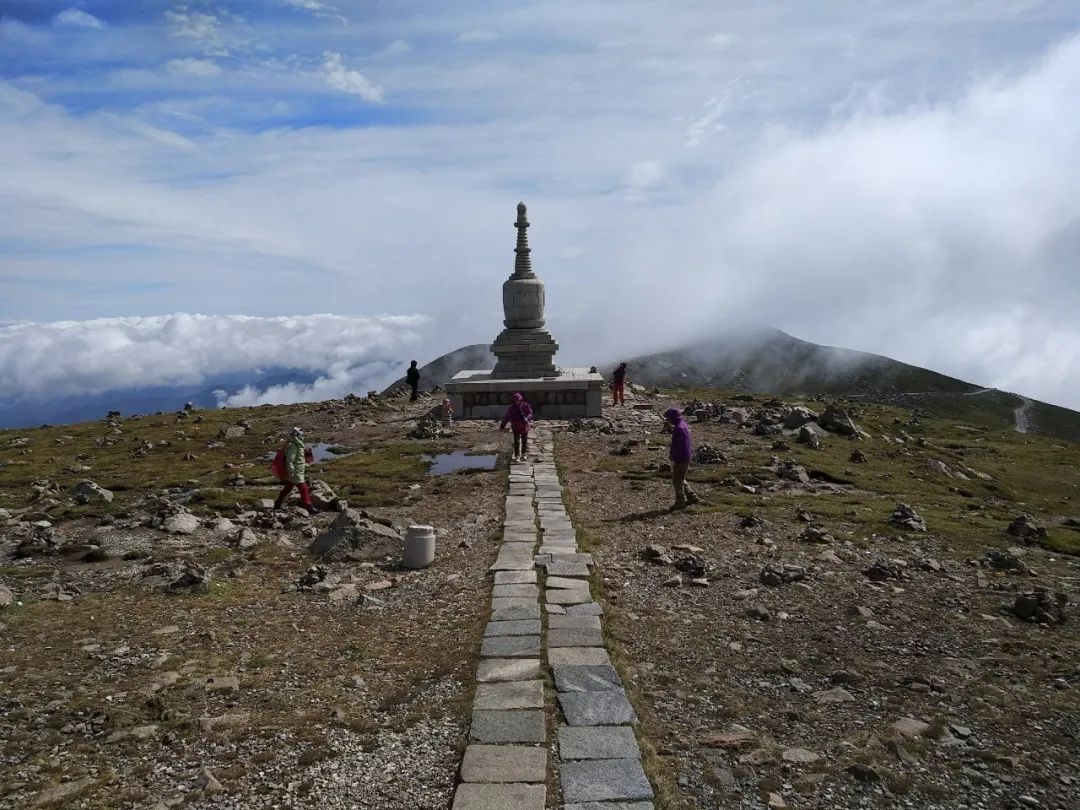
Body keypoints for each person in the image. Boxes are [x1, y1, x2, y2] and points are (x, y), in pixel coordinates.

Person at [274, 427, 317, 514]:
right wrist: (291, 472)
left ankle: (277, 504)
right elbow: (290, 460)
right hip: (295, 472)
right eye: (300, 434)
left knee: (288, 487)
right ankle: (309, 507)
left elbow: (298, 459)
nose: (302, 436)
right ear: (296, 435)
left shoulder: (297, 444)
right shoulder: (293, 445)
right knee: (303, 489)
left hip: (297, 471)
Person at [664, 407, 699, 510]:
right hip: (685, 456)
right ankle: (691, 496)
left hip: (681, 457)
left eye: (668, 418)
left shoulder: (679, 428)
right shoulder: (682, 425)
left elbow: (680, 445)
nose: (667, 420)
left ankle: (680, 502)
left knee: (677, 480)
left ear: (672, 418)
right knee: (680, 477)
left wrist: (674, 455)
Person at [500, 392, 534, 462]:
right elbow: (507, 417)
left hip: (524, 426)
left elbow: (530, 413)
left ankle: (523, 454)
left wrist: (527, 418)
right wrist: (502, 425)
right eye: (515, 401)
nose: (517, 402)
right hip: (516, 426)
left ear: (521, 400)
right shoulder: (512, 408)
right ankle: (517, 456)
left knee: (524, 441)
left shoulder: (525, 405)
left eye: (518, 400)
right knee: (517, 441)